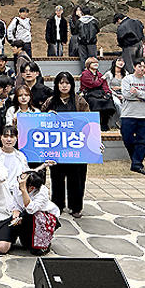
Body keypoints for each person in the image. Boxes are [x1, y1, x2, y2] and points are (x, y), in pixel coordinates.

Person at [41, 72, 90, 217]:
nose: (64, 86)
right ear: (56, 85)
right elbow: (40, 121)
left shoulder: (79, 101)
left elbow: (88, 122)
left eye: (67, 83)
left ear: (72, 85)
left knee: (77, 178)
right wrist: (47, 115)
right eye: (61, 83)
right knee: (57, 178)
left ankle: (76, 207)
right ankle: (58, 206)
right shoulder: (50, 101)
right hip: (56, 147)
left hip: (76, 147)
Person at [10, 170, 61, 255]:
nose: (19, 182)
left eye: (22, 181)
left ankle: (43, 244)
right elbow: (16, 203)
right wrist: (15, 214)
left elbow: (31, 209)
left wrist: (23, 190)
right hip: (26, 215)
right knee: (26, 245)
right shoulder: (16, 186)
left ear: (32, 188)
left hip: (44, 218)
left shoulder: (42, 192)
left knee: (38, 217)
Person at [121, 58, 145, 175]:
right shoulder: (127, 79)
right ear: (134, 67)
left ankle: (137, 164)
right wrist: (143, 95)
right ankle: (136, 159)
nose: (142, 69)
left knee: (143, 141)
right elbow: (126, 94)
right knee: (127, 139)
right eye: (140, 66)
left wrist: (137, 92)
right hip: (128, 114)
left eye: (144, 67)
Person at [80, 57, 116, 131]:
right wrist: (102, 79)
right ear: (88, 64)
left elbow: (105, 85)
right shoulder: (85, 74)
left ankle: (104, 123)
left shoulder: (99, 74)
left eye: (97, 62)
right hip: (89, 92)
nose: (96, 64)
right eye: (93, 63)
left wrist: (108, 92)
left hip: (99, 92)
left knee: (109, 101)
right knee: (95, 102)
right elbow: (92, 84)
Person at [104, 57, 129, 126]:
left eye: (123, 61)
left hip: (124, 93)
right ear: (114, 62)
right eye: (119, 61)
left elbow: (128, 85)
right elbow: (107, 87)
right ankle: (123, 121)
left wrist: (121, 88)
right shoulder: (109, 73)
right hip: (112, 93)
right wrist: (115, 94)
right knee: (117, 103)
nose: (121, 63)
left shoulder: (126, 73)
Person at [74, 5, 99, 72]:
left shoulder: (79, 21)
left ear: (82, 12)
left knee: (83, 59)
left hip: (81, 43)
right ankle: (94, 72)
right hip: (92, 42)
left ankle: (85, 72)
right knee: (93, 58)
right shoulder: (94, 20)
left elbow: (76, 31)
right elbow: (97, 30)